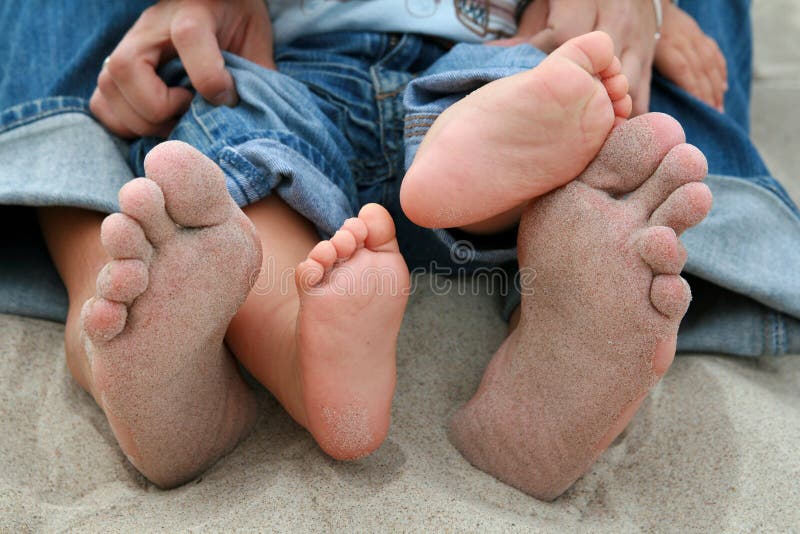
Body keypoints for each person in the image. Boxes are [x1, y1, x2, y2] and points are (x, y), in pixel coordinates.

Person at [0, 0, 797, 500]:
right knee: (234, 192)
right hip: (387, 69)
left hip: (359, 76)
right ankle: (313, 357)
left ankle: (506, 310)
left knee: (246, 171)